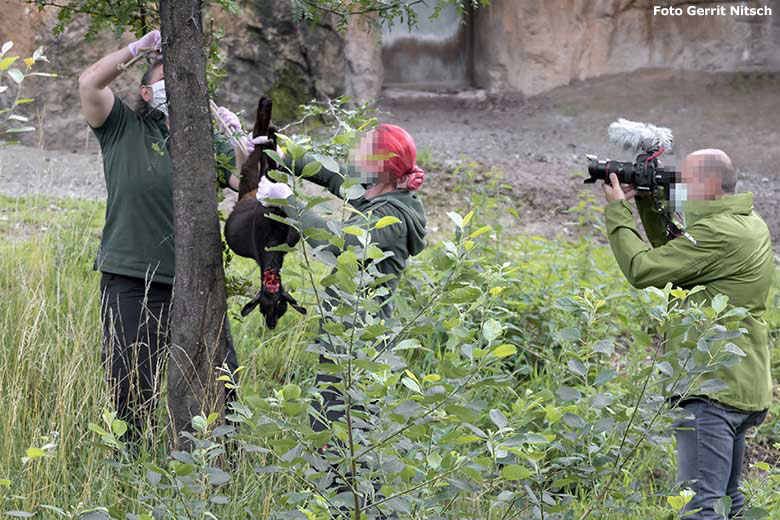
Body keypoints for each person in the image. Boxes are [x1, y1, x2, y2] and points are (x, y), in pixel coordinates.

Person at [78, 29, 261, 442]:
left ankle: (221, 470)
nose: (175, 89)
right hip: (131, 280)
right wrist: (137, 49)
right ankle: (130, 472)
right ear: (145, 93)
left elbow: (247, 188)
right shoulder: (121, 128)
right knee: (130, 392)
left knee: (220, 387)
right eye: (165, 80)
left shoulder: (204, 143)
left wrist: (236, 141)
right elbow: (89, 82)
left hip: (196, 285)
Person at [602, 149, 773, 519]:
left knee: (700, 507)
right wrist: (649, 202)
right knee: (728, 502)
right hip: (738, 384)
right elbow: (679, 256)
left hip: (712, 388)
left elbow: (642, 269)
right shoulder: (746, 222)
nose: (675, 185)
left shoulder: (719, 232)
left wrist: (618, 210)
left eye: (682, 180)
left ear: (709, 184)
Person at [254, 124, 428, 431]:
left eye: (363, 150)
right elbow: (333, 176)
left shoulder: (394, 218)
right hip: (342, 338)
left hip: (358, 346)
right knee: (332, 429)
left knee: (343, 435)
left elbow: (340, 247)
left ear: (380, 166)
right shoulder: (378, 190)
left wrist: (288, 201)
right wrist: (283, 154)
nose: (355, 154)